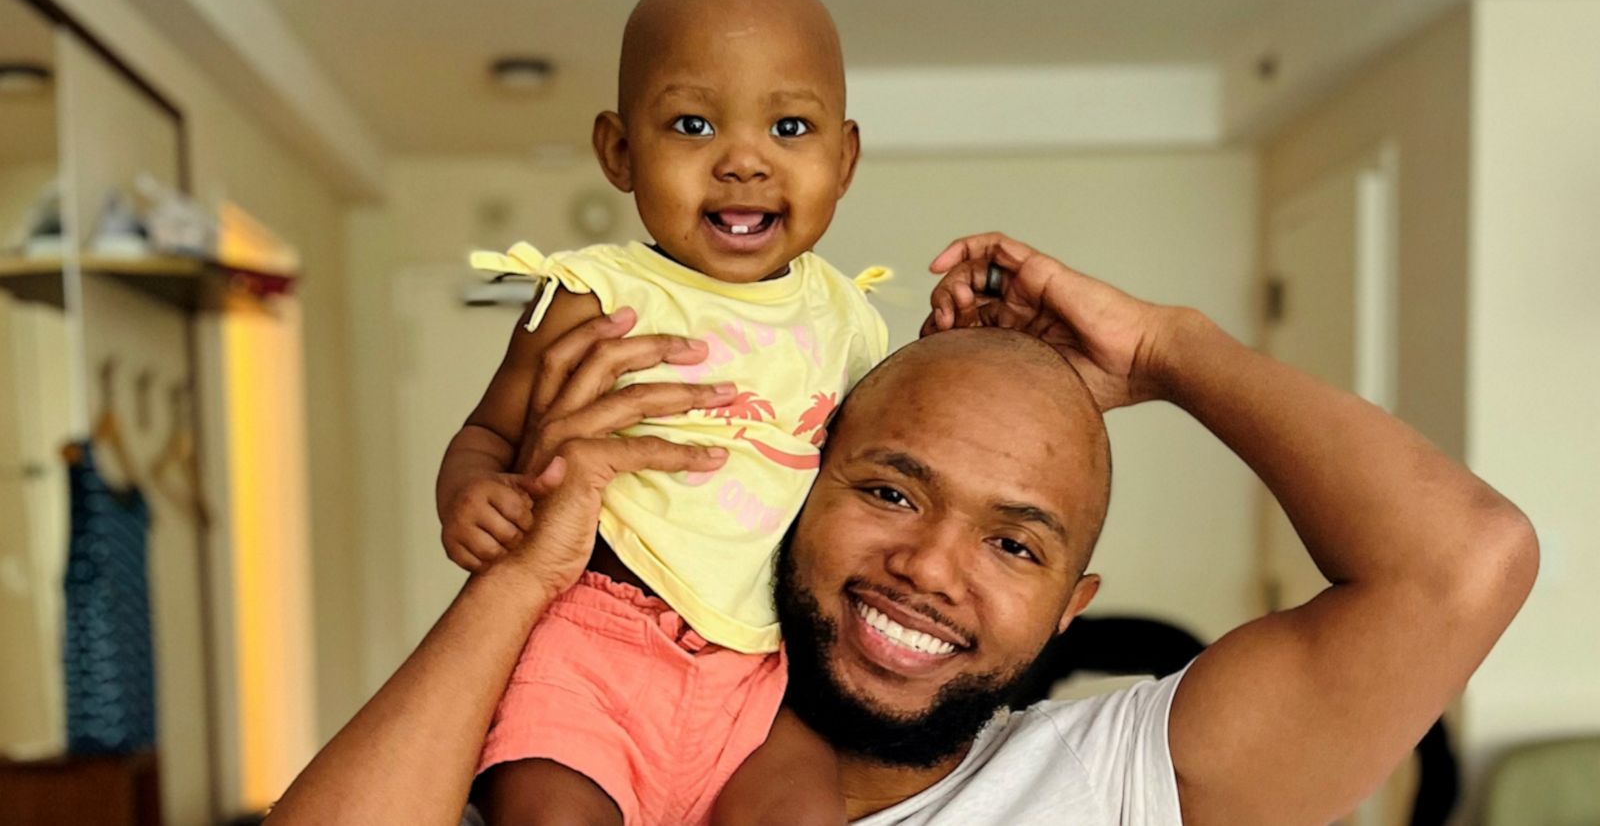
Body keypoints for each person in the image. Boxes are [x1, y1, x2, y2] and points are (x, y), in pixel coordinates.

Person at [270, 234, 1538, 826]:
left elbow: (1463, 565)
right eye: (887, 491)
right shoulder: (597, 748)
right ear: (797, 488)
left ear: (1071, 606)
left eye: (1016, 544)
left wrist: (1169, 348)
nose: (929, 571)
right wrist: (528, 575)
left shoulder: (1116, 783)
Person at [435, 0, 887, 826]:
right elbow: (487, 432)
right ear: (619, 151)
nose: (744, 162)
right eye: (692, 124)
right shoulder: (587, 296)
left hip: (760, 669)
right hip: (588, 648)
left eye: (790, 126)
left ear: (845, 156)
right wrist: (470, 492)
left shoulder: (850, 320)